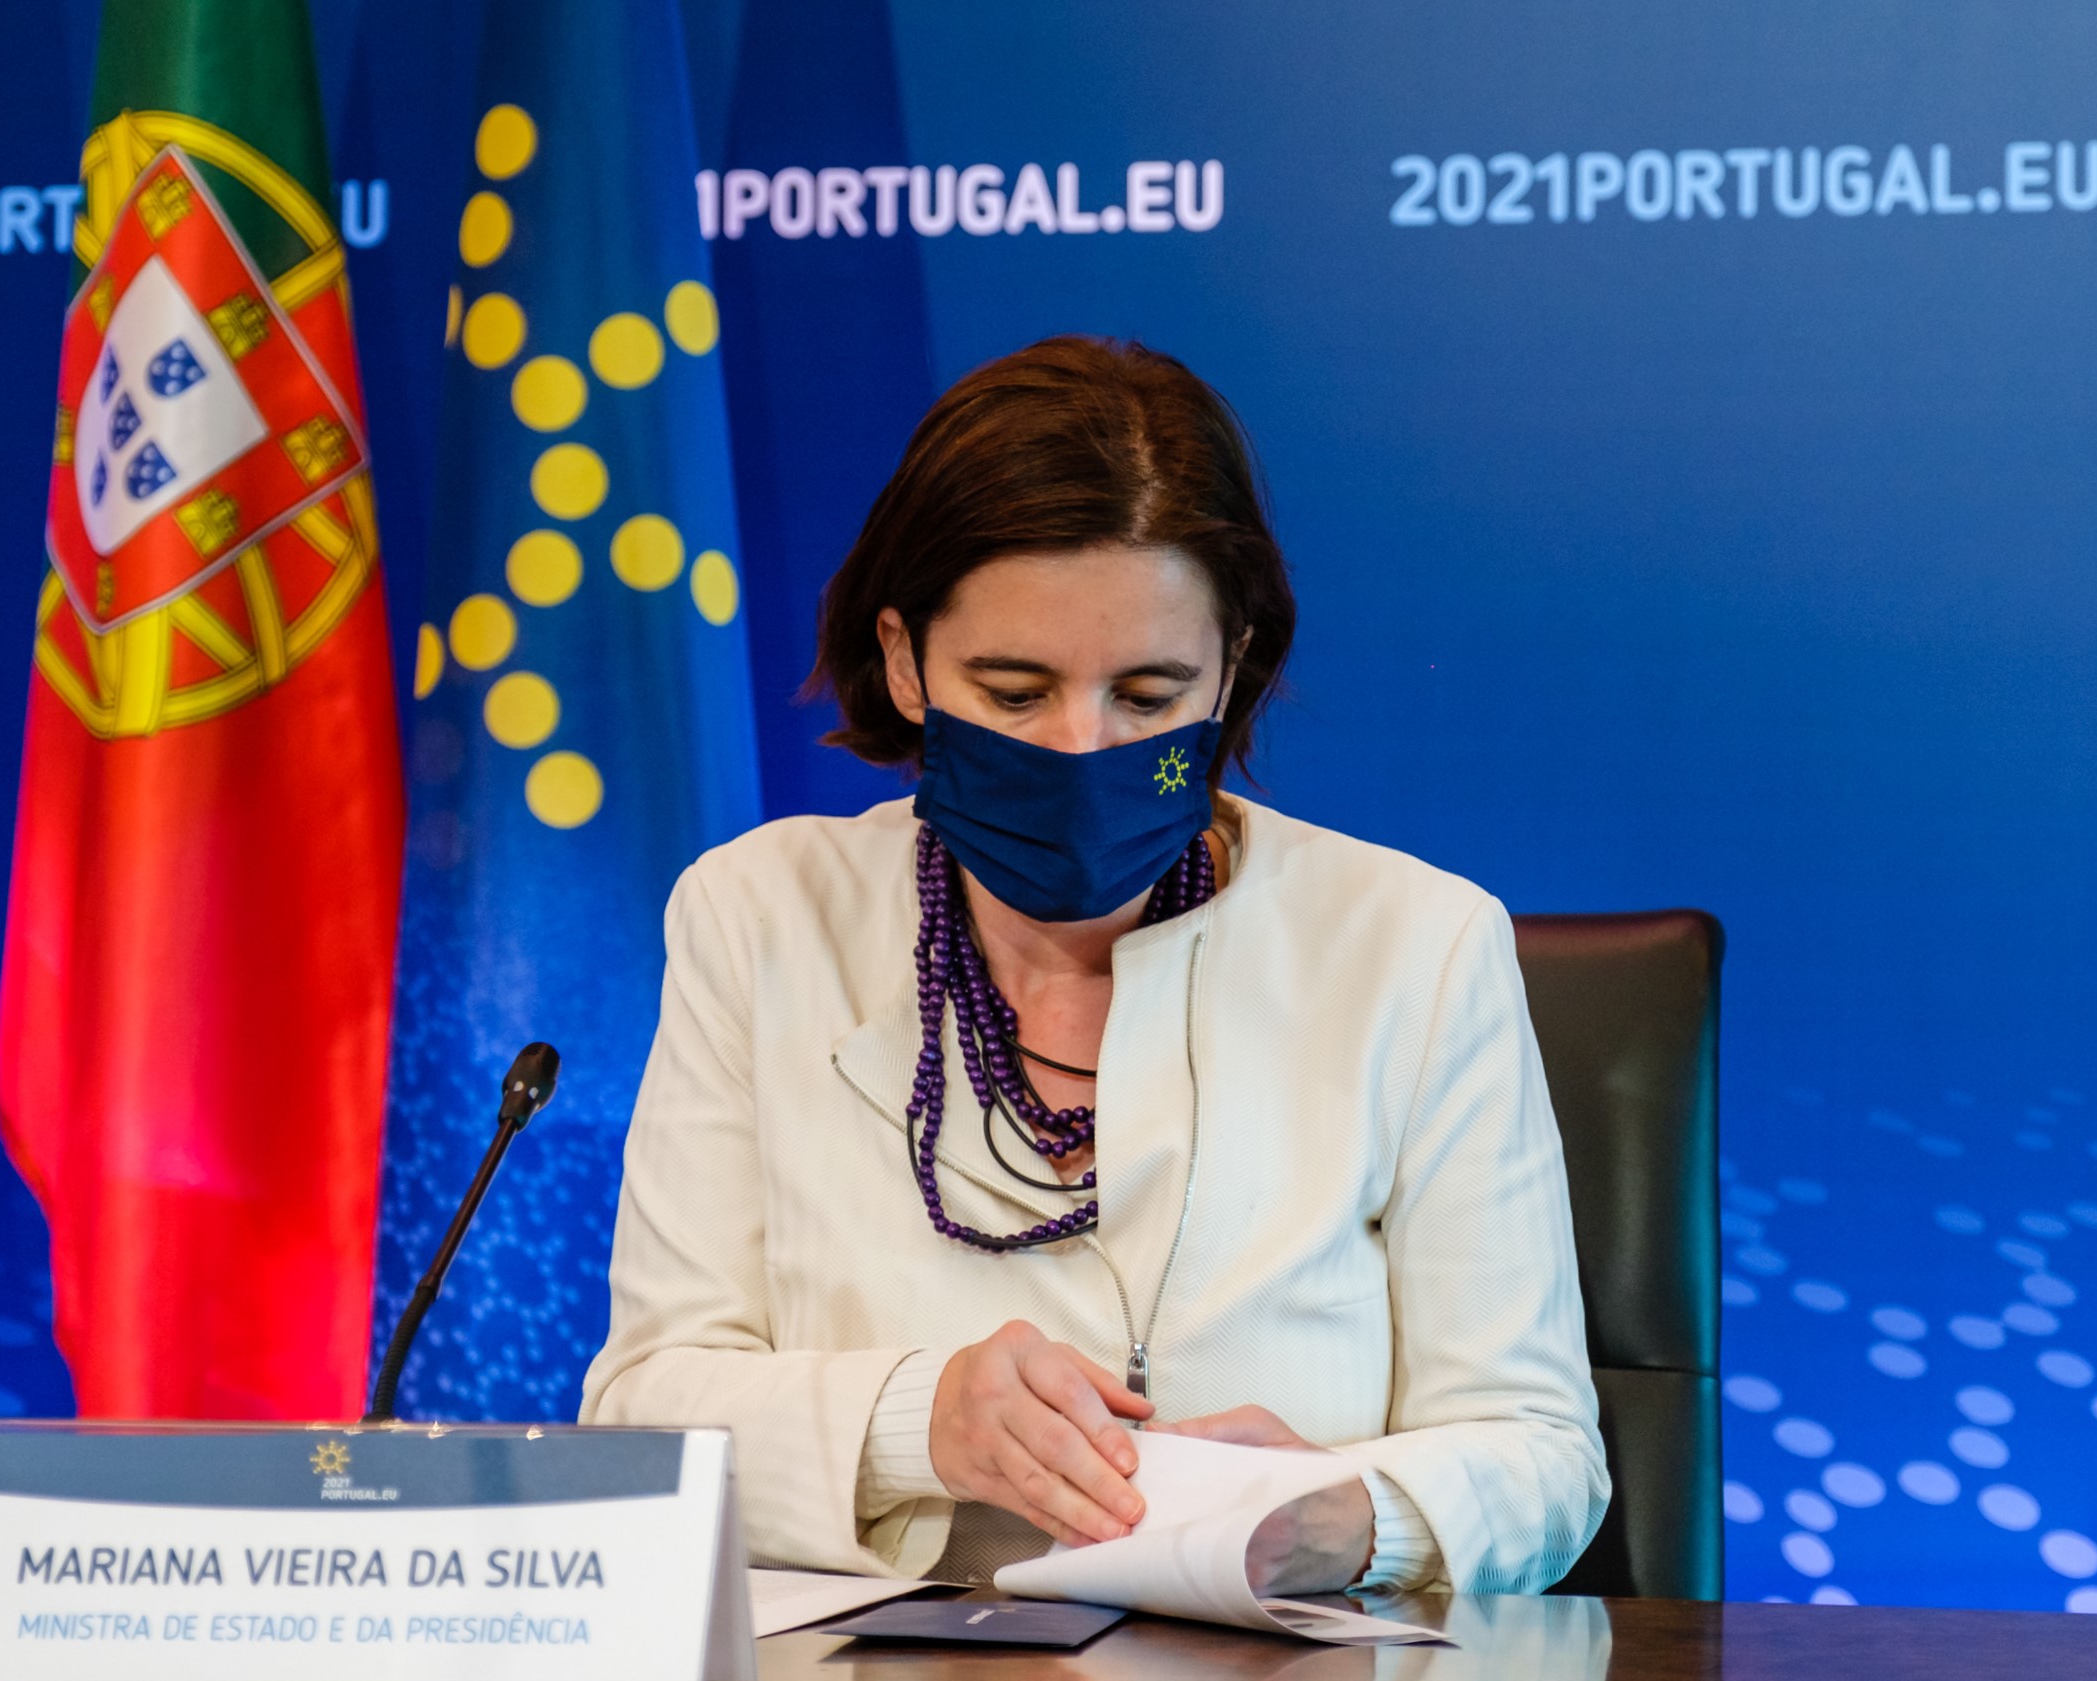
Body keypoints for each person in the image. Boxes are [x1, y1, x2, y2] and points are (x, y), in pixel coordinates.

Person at [580, 336, 1607, 1594]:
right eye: (1013, 692)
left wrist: (1343, 1519)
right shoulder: (757, 917)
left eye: (1147, 695)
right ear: (904, 662)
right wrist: (917, 1419)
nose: (1080, 747)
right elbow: (643, 1411)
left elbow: (1541, 1454)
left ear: (1231, 670)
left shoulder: (1413, 944)